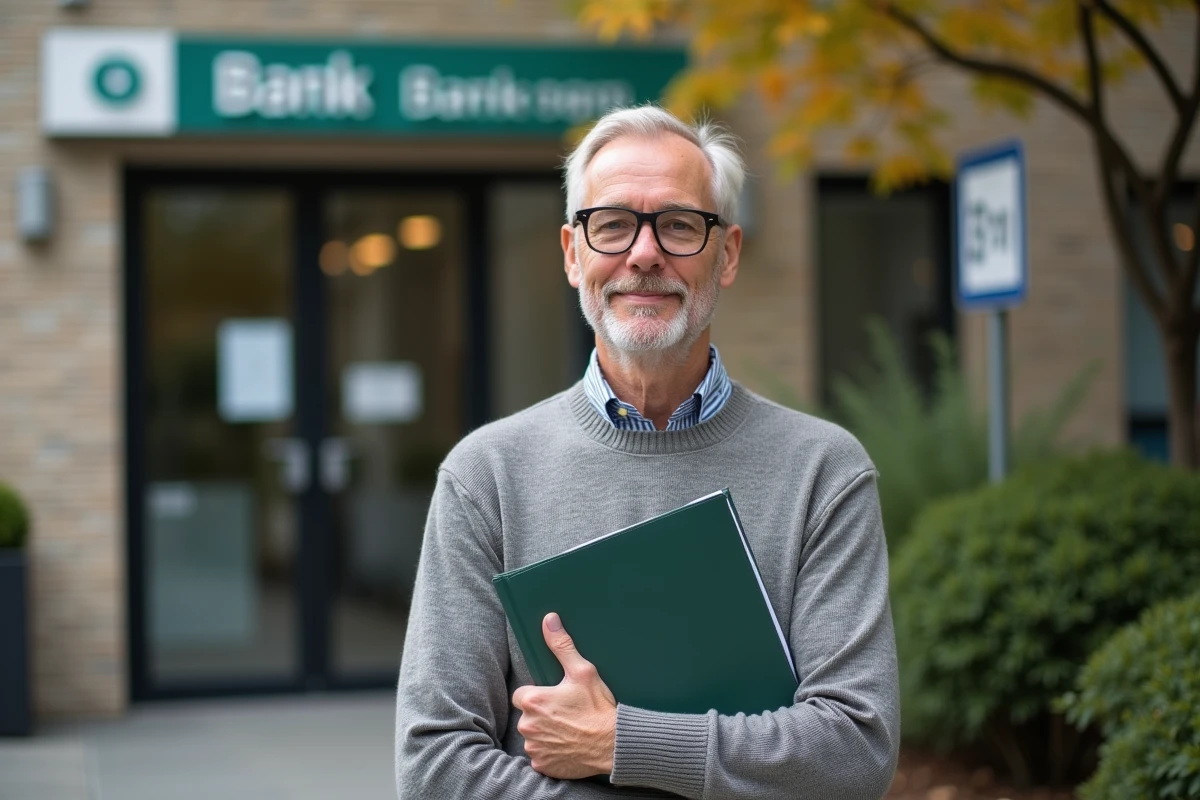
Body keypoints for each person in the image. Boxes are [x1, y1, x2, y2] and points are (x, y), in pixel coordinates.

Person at [395, 105, 899, 799]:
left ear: (727, 255)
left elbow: (856, 749)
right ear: (574, 255)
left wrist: (618, 742)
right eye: (613, 225)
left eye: (680, 225)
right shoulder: (486, 476)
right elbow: (434, 765)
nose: (644, 254)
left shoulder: (823, 472)